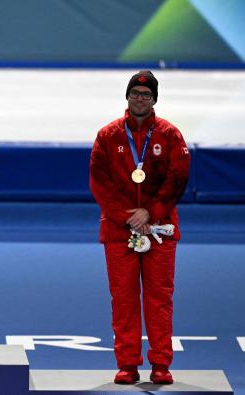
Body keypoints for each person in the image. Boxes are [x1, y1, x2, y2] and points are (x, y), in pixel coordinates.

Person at [89, 71, 190, 384]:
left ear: (154, 99)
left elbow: (178, 179)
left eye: (146, 94)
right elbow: (99, 182)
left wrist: (151, 213)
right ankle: (128, 364)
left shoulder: (170, 135)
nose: (140, 98)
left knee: (159, 298)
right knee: (124, 299)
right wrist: (127, 216)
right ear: (127, 96)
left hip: (160, 230)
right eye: (135, 93)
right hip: (120, 231)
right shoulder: (108, 136)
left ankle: (161, 363)